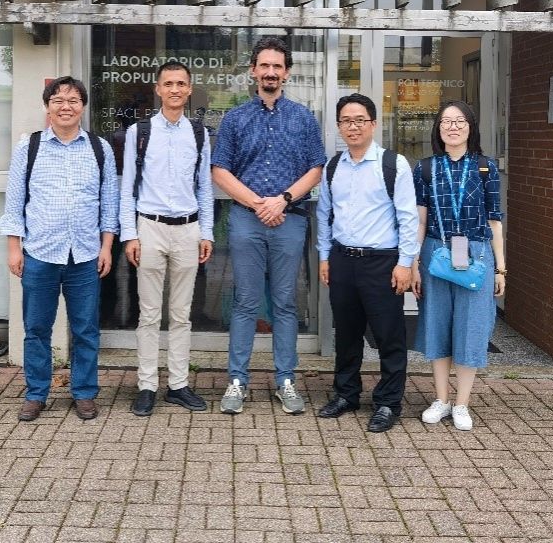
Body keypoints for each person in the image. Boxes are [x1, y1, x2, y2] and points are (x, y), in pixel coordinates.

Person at [211, 36, 326, 415]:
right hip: (247, 219)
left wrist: (283, 200)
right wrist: (258, 203)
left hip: (289, 220)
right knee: (245, 301)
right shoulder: (235, 118)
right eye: (265, 65)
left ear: (287, 73)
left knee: (285, 302)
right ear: (253, 71)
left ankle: (285, 380)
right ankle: (237, 381)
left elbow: (316, 168)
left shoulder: (303, 118)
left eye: (277, 66)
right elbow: (220, 170)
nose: (271, 72)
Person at [0, 76, 119, 422]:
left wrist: (106, 247)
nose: (66, 107)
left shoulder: (99, 148)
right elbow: (15, 202)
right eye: (58, 100)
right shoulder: (30, 147)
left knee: (86, 330)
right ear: (47, 106)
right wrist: (14, 248)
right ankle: (36, 393)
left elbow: (109, 204)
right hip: (40, 254)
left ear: (83, 107)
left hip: (85, 255)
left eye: (73, 100)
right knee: (37, 329)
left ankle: (84, 392)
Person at [315, 93, 419, 433]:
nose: (353, 126)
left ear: (373, 124)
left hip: (382, 263)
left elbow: (408, 218)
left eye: (360, 120)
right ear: (339, 126)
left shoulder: (393, 164)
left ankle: (388, 402)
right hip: (342, 260)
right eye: (346, 121)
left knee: (389, 335)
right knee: (346, 334)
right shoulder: (333, 167)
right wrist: (325, 256)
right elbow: (324, 214)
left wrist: (405, 263)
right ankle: (346, 394)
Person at [120, 60, 214, 416]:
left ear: (189, 90)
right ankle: (146, 385)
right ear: (158, 89)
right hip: (150, 228)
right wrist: (130, 235)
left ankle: (178, 385)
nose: (175, 89)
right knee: (148, 314)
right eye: (168, 84)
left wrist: (206, 232)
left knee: (181, 314)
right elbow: (127, 187)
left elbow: (204, 187)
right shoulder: (139, 132)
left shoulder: (199, 134)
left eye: (181, 84)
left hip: (188, 229)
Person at [411, 100, 506, 432]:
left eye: (459, 121)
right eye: (446, 121)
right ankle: (441, 399)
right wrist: (413, 263)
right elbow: (419, 221)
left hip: (476, 254)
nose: (453, 127)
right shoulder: (425, 168)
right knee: (437, 324)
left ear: (470, 127)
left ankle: (462, 403)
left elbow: (495, 220)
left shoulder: (485, 167)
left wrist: (501, 268)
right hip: (435, 252)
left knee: (472, 327)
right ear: (438, 129)